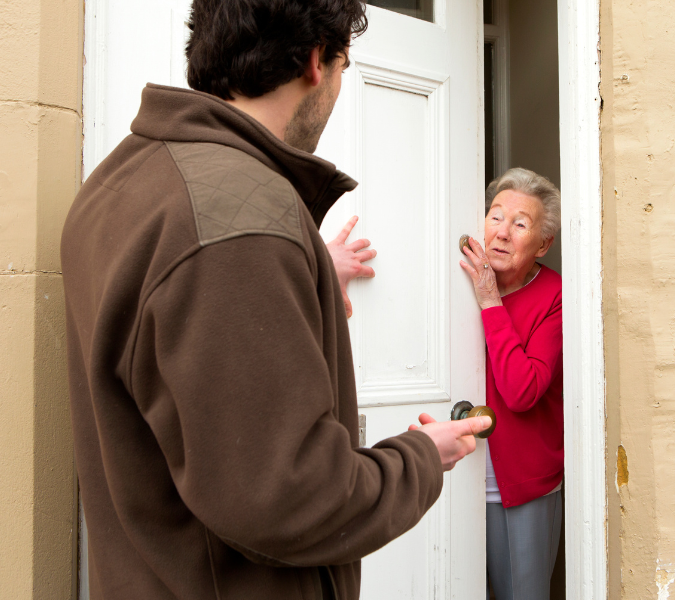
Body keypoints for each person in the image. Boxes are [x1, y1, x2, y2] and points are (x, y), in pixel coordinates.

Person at [60, 1, 491, 599]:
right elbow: (288, 496)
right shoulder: (242, 222)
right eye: (344, 66)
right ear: (317, 61)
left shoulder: (121, 182)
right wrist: (421, 457)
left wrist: (302, 274)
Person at [459, 168, 564, 600]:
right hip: (456, 473)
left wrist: (490, 301)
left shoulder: (555, 295)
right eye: (495, 216)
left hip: (522, 484)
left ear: (543, 243)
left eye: (519, 224)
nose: (501, 232)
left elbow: (523, 391)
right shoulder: (455, 280)